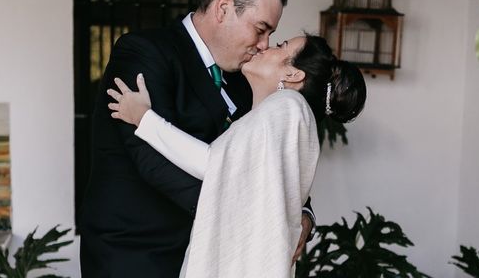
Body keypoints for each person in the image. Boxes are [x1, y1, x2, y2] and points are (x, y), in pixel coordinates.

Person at [80, 0, 317, 277]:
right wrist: (259, 212)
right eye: (261, 29)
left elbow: (266, 153)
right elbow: (151, 161)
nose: (264, 45)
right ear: (223, 8)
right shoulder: (144, 53)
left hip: (207, 256)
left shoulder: (247, 76)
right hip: (138, 253)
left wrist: (299, 210)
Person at [108, 35, 366, 277]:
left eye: (281, 44)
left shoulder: (288, 106)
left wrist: (144, 118)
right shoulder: (273, 111)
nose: (265, 46)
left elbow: (215, 164)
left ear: (293, 73)